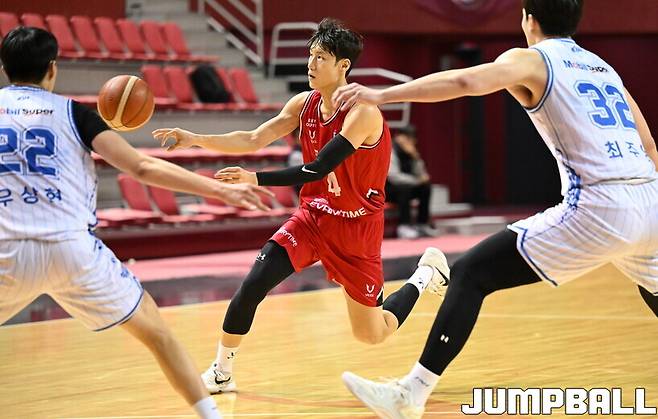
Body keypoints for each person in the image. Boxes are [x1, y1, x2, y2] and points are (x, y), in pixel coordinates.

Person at [332, 0, 658, 417]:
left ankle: (409, 395)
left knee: (470, 273)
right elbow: (649, 146)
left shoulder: (532, 60)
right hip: (649, 200)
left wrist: (382, 94)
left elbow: (465, 80)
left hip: (599, 204)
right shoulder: (603, 68)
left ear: (528, 19)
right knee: (651, 283)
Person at [153, 18, 451, 395]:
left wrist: (254, 178)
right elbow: (253, 137)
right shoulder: (302, 104)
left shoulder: (363, 112)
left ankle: (424, 275)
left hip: (356, 229)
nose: (310, 64)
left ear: (343, 66)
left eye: (320, 57)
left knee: (372, 334)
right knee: (253, 284)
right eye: (310, 55)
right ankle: (221, 372)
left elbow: (318, 167)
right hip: (312, 218)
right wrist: (195, 138)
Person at [0, 27, 270, 419]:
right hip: (72, 251)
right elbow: (141, 167)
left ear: (4, 68)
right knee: (157, 334)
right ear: (52, 69)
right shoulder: (74, 113)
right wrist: (220, 190)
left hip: (6, 251)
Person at [387, 125, 438, 239]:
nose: (410, 141)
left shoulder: (411, 152)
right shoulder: (391, 149)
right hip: (388, 189)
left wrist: (415, 157)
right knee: (404, 188)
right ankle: (404, 226)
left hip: (406, 187)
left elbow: (421, 175)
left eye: (412, 138)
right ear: (398, 137)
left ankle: (422, 224)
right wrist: (416, 181)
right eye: (407, 138)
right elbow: (393, 176)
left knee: (425, 187)